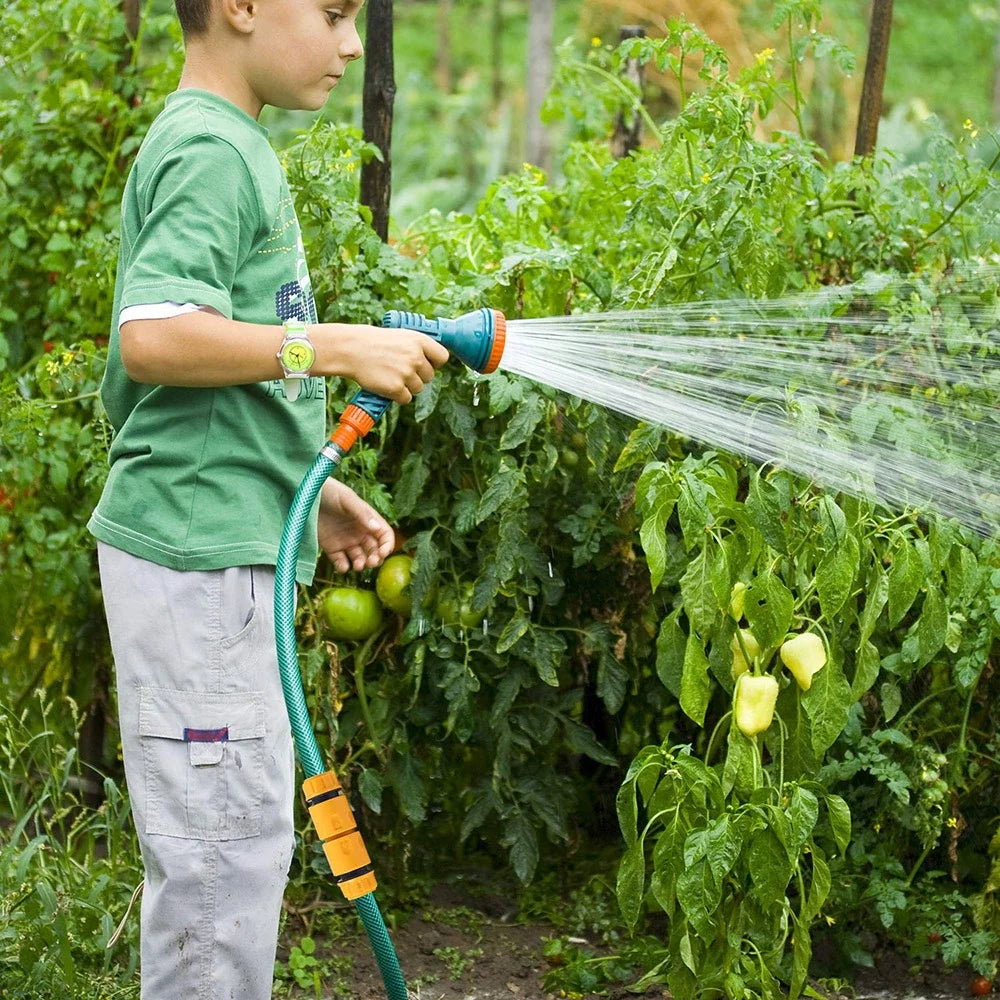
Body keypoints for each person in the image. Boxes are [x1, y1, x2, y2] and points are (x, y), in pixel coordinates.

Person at [88, 0, 448, 996]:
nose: (349, 43)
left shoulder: (226, 144)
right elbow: (155, 335)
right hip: (194, 560)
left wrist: (300, 483)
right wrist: (334, 342)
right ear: (240, 6)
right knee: (218, 866)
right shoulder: (210, 149)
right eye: (331, 11)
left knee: (234, 846)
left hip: (213, 540)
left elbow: (203, 379)